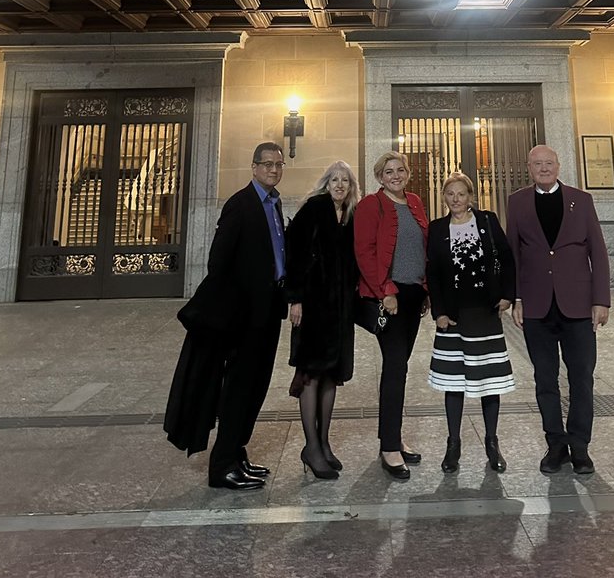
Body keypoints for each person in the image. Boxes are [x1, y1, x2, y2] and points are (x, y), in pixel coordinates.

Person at [164, 141, 288, 491]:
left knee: (257, 386)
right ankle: (221, 467)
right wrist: (240, 304)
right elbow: (218, 263)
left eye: (278, 164)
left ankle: (236, 453)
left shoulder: (274, 203)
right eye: (267, 164)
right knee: (239, 388)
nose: (273, 170)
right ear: (254, 167)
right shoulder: (240, 204)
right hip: (245, 317)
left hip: (269, 311)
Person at [507, 144, 610, 476]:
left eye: (549, 163)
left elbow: (598, 252)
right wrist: (516, 298)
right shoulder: (517, 202)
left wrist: (601, 300)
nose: (544, 168)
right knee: (545, 379)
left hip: (578, 306)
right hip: (537, 306)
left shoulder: (582, 200)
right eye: (537, 163)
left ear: (558, 165)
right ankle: (555, 445)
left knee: (581, 377)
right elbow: (513, 255)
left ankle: (580, 446)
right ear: (529, 168)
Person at [426, 172, 516, 473]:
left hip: (484, 312)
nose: (455, 199)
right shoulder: (437, 229)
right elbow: (433, 274)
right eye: (450, 193)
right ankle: (453, 444)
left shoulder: (487, 221)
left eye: (461, 194)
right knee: (453, 382)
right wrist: (438, 311)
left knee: (489, 382)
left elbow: (507, 258)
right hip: (453, 317)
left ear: (470, 197)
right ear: (444, 197)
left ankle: (492, 443)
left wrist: (508, 295)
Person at [354, 150, 429, 481]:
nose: (395, 175)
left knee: (401, 367)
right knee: (395, 368)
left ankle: (393, 438)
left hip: (413, 296)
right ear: (379, 177)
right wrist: (385, 290)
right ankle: (389, 447)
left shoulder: (415, 201)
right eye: (388, 171)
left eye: (400, 170)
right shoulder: (371, 205)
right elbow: (364, 251)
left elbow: (422, 248)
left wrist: (425, 290)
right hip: (390, 296)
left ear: (408, 173)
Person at [285, 160, 361, 482]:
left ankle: (324, 443)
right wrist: (295, 298)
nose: (339, 185)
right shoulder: (314, 209)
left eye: (345, 180)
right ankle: (311, 447)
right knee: (312, 374)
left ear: (351, 186)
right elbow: (294, 252)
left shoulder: (351, 215)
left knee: (331, 375)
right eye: (334, 180)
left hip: (340, 309)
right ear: (326, 184)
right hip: (313, 306)